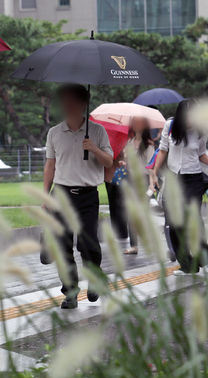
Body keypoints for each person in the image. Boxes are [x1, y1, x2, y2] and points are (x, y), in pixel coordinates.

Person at [43, 84, 113, 309]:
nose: (67, 105)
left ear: (83, 104)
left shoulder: (98, 131)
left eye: (73, 101)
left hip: (88, 196)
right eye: (65, 101)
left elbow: (109, 162)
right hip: (61, 195)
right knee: (63, 246)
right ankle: (70, 291)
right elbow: (50, 166)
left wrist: (94, 148)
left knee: (88, 244)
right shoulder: (54, 132)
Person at [152, 100, 208, 275]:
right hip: (173, 179)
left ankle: (205, 260)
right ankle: (187, 264)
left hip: (193, 180)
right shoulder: (170, 126)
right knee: (175, 223)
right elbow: (162, 151)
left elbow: (201, 154)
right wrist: (154, 173)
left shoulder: (201, 131)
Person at [120, 116, 156, 255]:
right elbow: (126, 161)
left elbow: (151, 167)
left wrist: (152, 185)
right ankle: (134, 245)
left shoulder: (149, 145)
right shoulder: (129, 142)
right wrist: (124, 162)